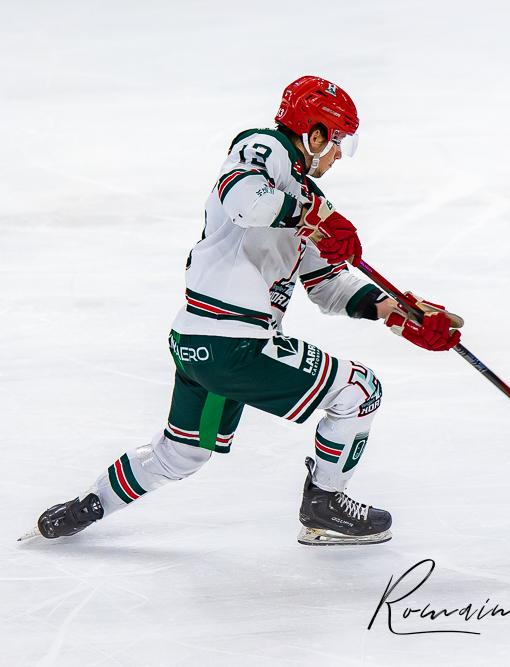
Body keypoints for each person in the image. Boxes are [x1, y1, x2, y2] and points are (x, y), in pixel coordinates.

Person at [22, 75, 463, 546]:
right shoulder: (264, 148)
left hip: (199, 347)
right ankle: (325, 504)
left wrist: (395, 311)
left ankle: (87, 505)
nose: (338, 155)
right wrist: (316, 218)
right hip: (235, 343)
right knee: (360, 390)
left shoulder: (308, 200)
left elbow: (328, 284)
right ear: (314, 134)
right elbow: (245, 202)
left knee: (182, 454)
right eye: (337, 141)